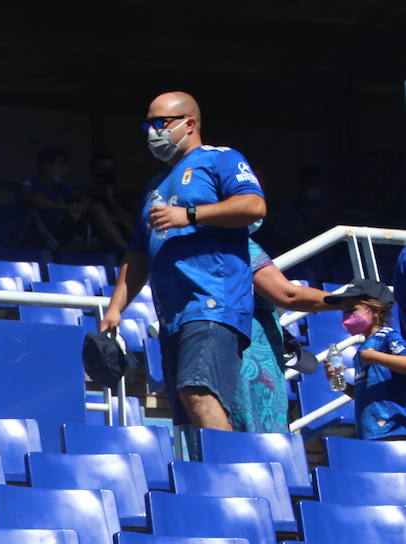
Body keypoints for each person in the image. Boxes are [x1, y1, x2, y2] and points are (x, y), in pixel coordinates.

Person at [101, 91, 266, 446]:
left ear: (189, 124)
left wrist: (188, 214)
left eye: (160, 123)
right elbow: (137, 254)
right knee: (185, 419)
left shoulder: (220, 159)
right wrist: (115, 309)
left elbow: (254, 205)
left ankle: (231, 481)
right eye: (147, 124)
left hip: (211, 302)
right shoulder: (154, 186)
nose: (151, 132)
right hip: (174, 315)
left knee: (198, 391)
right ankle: (205, 487)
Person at [230, 235, 331, 432]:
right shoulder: (238, 246)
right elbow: (289, 295)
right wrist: (346, 300)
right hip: (244, 378)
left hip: (257, 387)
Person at [326, 280, 406, 440]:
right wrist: (340, 383)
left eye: (352, 310)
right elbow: (365, 394)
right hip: (370, 432)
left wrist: (375, 356)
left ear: (375, 310)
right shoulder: (362, 350)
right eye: (344, 312)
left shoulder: (387, 336)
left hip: (394, 430)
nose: (347, 317)